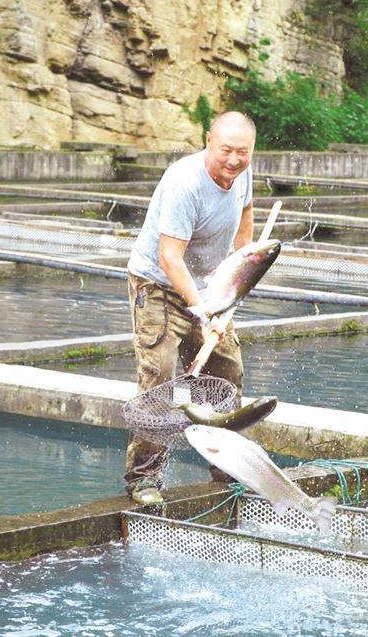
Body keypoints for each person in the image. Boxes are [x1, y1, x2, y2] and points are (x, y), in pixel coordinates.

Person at [124, 111, 256, 504]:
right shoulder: (185, 183)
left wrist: (242, 268)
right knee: (161, 378)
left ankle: (227, 466)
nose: (234, 160)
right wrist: (204, 312)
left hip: (208, 287)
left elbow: (245, 213)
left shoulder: (242, 172)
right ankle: (144, 479)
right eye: (226, 150)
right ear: (208, 141)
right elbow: (170, 258)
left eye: (243, 152)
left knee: (227, 372)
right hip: (159, 286)